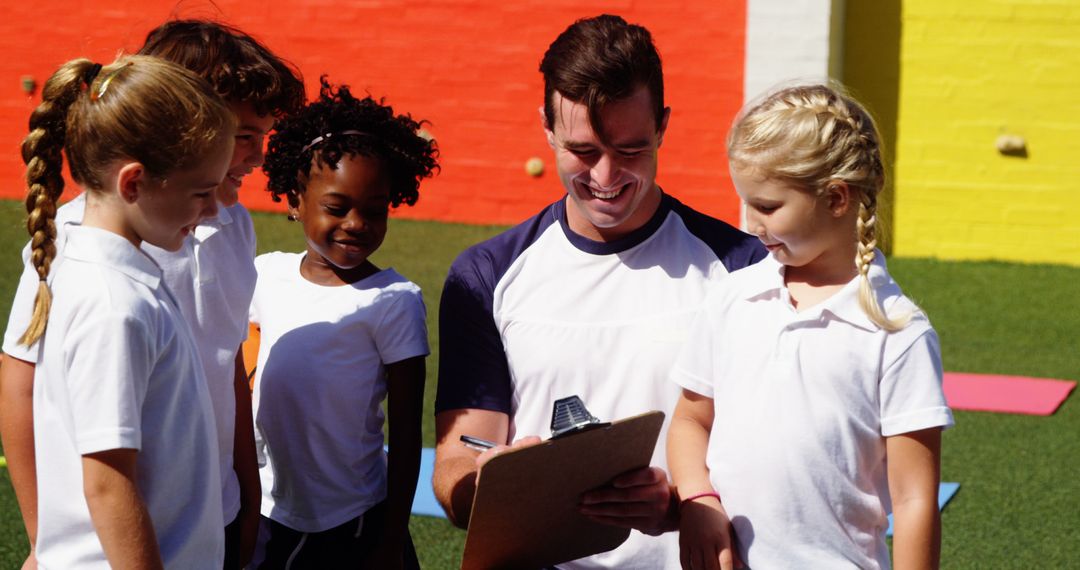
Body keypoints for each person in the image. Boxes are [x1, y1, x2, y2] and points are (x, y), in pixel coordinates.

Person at [433, 14, 765, 569]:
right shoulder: (486, 274)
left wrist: (682, 504)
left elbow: (769, 454)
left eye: (631, 150)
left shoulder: (740, 269)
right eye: (583, 151)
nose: (606, 176)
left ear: (662, 126)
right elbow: (455, 464)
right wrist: (489, 486)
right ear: (546, 127)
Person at [0, 20, 306, 569]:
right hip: (123, 538)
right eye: (243, 135)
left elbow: (227, 353)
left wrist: (244, 490)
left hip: (208, 514)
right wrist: (43, 537)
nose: (258, 156)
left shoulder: (228, 223)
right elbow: (22, 383)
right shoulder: (80, 251)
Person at [668, 84, 953, 570]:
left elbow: (913, 501)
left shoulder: (898, 334)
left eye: (767, 206)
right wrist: (698, 499)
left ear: (837, 198)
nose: (751, 223)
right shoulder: (732, 299)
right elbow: (691, 419)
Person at [17, 54, 235, 568]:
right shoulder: (115, 305)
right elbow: (108, 484)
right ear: (134, 183)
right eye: (202, 193)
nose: (214, 210)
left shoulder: (106, 275)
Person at [249, 79, 437, 569]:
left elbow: (406, 434)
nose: (356, 223)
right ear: (295, 200)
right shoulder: (265, 275)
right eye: (337, 208)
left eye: (375, 212)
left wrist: (391, 540)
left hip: (355, 524)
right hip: (270, 512)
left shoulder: (395, 301)